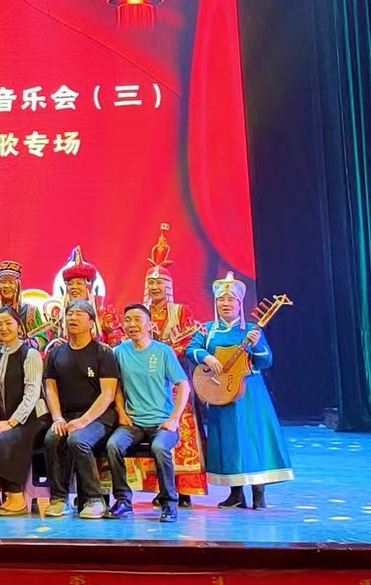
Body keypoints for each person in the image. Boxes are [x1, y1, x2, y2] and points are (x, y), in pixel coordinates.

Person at [186, 272, 294, 510]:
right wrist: (206, 357)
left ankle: (258, 494)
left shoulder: (252, 329)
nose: (226, 304)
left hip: (249, 394)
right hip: (220, 393)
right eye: (221, 300)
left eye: (231, 300)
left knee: (252, 439)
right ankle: (235, 494)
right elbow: (190, 349)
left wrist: (256, 345)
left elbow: (265, 361)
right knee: (229, 442)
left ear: (239, 303)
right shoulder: (207, 330)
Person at [141, 223, 207, 503]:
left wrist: (167, 350)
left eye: (159, 283)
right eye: (151, 283)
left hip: (175, 383)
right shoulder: (140, 313)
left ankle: (185, 490)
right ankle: (160, 489)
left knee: (181, 432)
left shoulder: (181, 312)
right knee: (155, 434)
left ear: (167, 286)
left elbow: (191, 342)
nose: (155, 287)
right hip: (150, 386)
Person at [107, 303, 188, 522]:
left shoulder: (163, 352)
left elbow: (183, 385)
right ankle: (123, 501)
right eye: (127, 320)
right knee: (113, 446)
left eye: (137, 319)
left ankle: (169, 503)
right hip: (133, 423)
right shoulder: (119, 352)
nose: (132, 324)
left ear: (149, 325)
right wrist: (121, 412)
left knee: (159, 447)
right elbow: (115, 386)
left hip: (162, 422)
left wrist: (174, 419)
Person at [42, 299, 121, 518]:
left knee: (77, 440)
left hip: (99, 417)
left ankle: (95, 499)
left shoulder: (103, 353)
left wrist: (84, 421)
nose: (73, 318)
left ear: (91, 322)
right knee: (52, 439)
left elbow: (108, 394)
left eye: (79, 314)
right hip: (67, 416)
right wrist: (57, 418)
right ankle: (59, 498)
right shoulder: (56, 353)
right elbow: (50, 388)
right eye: (70, 314)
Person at [0, 307, 48, 516]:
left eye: (9, 323)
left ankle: (17, 497)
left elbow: (32, 393)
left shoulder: (30, 354)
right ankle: (7, 493)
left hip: (32, 419)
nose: (4, 328)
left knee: (1, 442)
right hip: (3, 421)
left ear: (19, 326)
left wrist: (11, 423)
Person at [48, 247, 122, 345]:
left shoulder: (104, 313)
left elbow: (117, 344)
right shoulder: (60, 315)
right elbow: (52, 342)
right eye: (70, 284)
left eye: (79, 283)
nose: (74, 287)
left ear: (89, 286)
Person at [0, 262, 45, 349]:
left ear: (18, 286)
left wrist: (31, 343)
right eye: (3, 282)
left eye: (11, 282)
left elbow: (42, 339)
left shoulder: (30, 311)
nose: (6, 286)